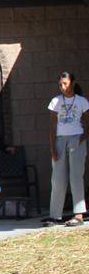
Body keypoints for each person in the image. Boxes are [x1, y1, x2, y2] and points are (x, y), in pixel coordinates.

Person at [44, 71, 89, 227]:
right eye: (60, 84)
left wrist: (83, 138)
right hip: (60, 140)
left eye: (65, 83)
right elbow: (51, 126)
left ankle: (78, 214)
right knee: (57, 178)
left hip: (77, 138)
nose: (62, 87)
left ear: (73, 83)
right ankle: (55, 215)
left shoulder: (81, 101)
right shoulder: (55, 101)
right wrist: (53, 149)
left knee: (76, 176)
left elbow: (87, 121)